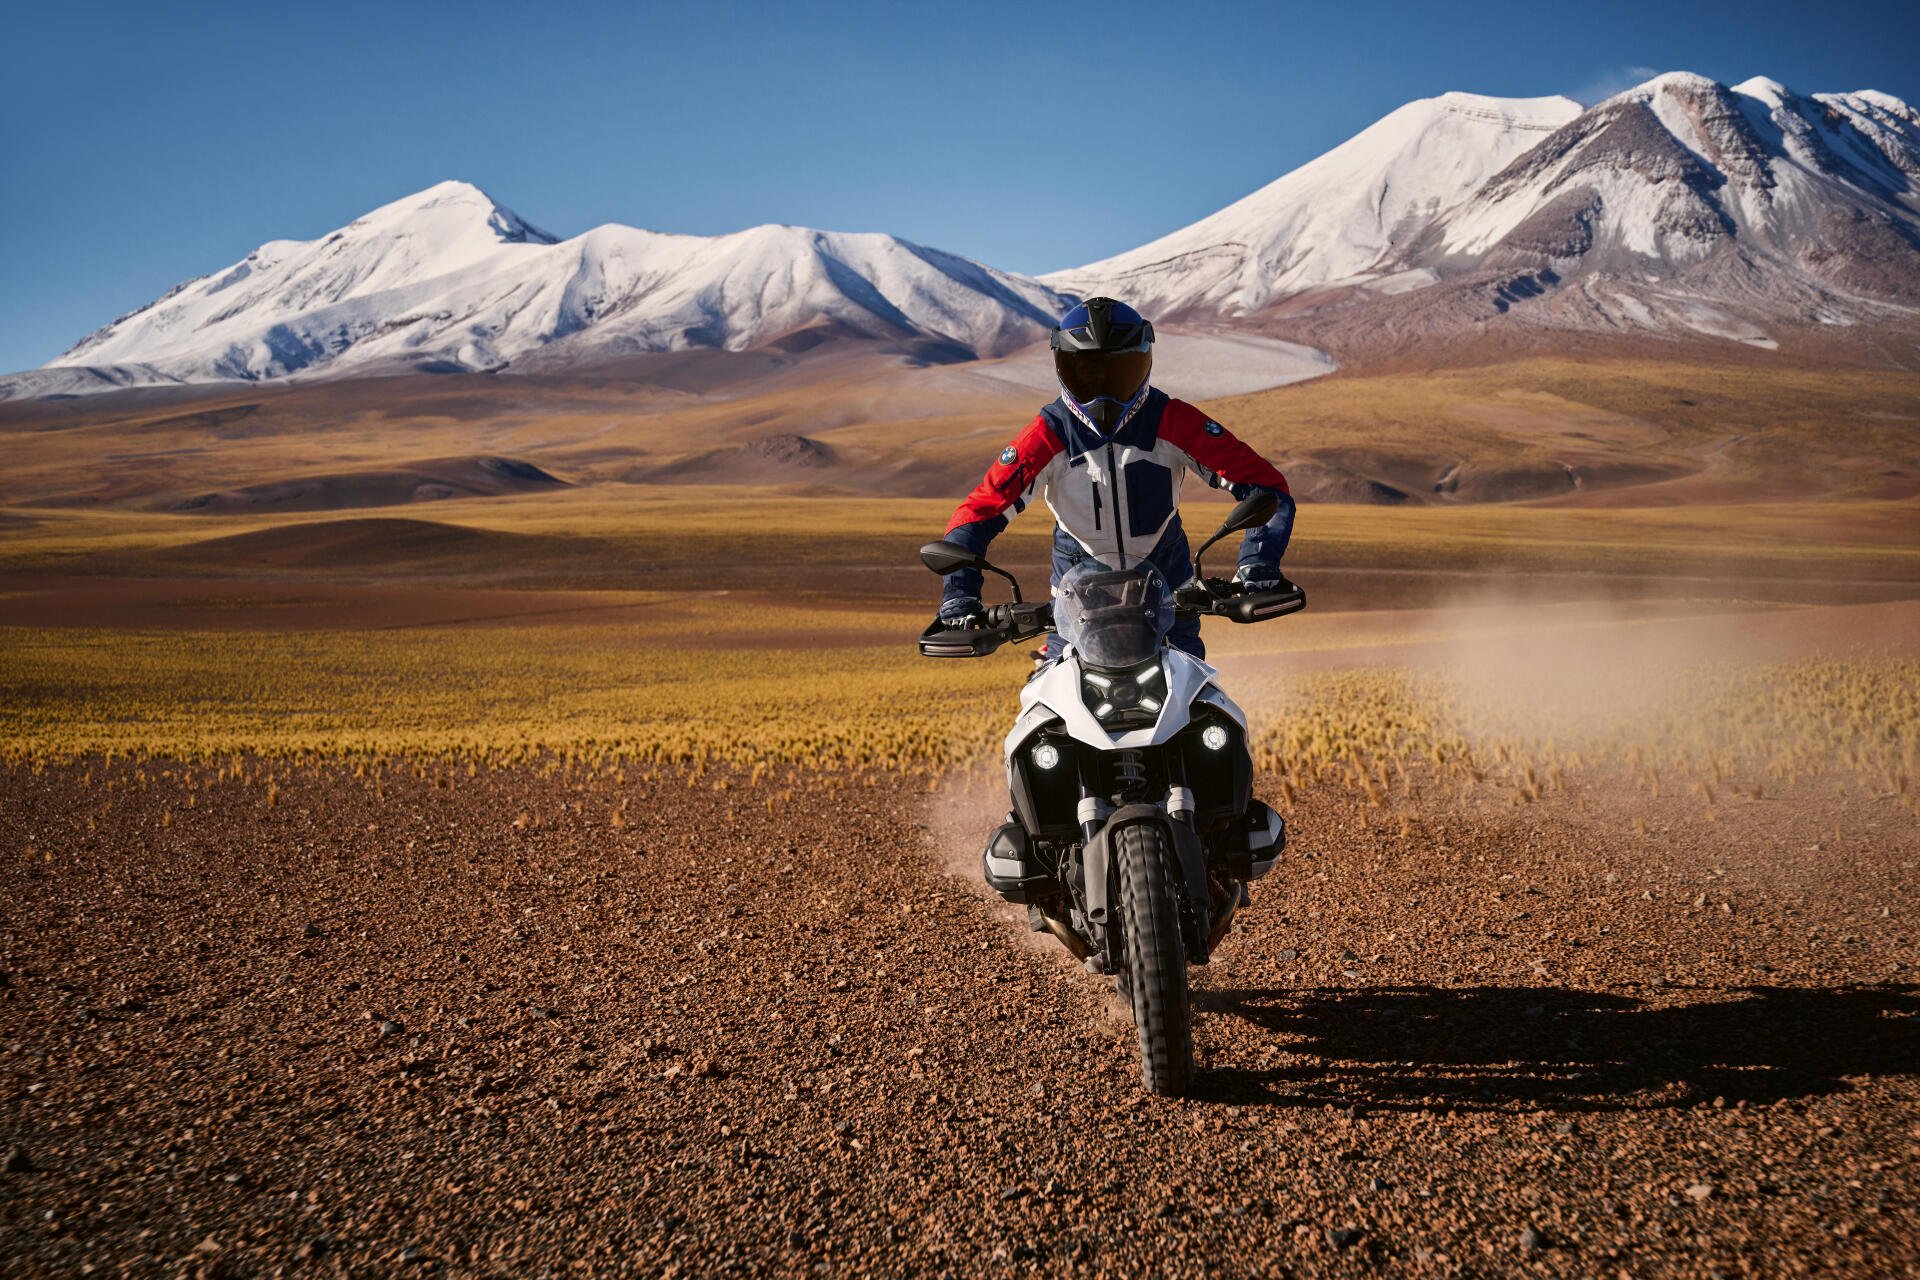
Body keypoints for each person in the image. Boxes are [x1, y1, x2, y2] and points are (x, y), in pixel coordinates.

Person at [933, 297, 1296, 660]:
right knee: (1040, 709)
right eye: (1086, 371)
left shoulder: (1171, 419)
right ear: (1062, 367)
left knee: (1206, 704)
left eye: (1118, 370)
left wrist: (1257, 563)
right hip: (1077, 615)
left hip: (1171, 607)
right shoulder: (1048, 433)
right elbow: (979, 512)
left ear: (1144, 362)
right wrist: (959, 596)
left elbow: (1265, 486)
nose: (1102, 385)